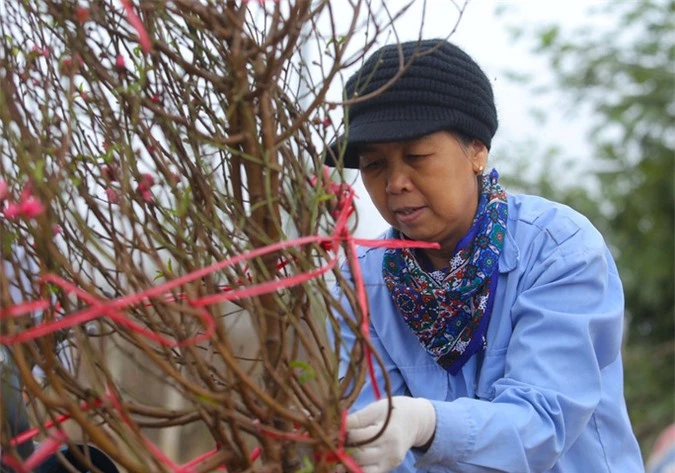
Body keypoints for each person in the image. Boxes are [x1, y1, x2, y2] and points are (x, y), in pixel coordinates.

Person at [326, 39, 644, 473]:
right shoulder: (362, 286)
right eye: (374, 165)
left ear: (476, 150)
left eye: (416, 156)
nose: (396, 182)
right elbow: (371, 443)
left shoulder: (557, 250)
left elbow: (542, 422)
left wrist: (425, 423)